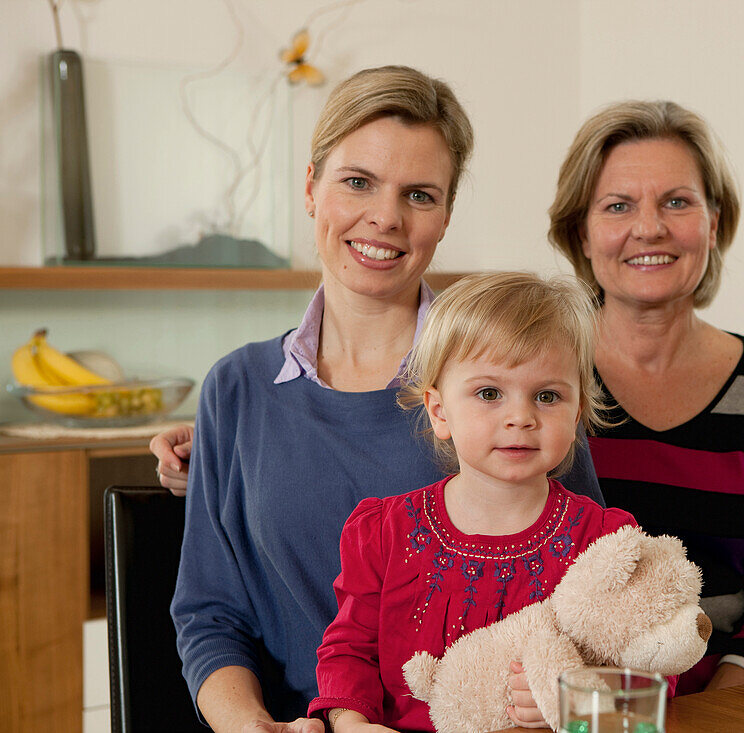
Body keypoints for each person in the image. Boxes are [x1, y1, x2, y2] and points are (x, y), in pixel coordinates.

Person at [163, 67, 604, 733]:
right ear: (311, 187)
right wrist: (249, 724)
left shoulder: (508, 375)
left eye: (419, 194)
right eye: (358, 181)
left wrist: (559, 699)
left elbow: (594, 601)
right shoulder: (236, 389)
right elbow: (210, 611)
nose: (386, 217)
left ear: (446, 215)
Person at [543, 100, 744, 694]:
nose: (651, 228)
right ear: (582, 234)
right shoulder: (535, 378)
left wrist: (723, 705)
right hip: (560, 702)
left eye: (677, 202)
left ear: (713, 224)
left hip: (728, 701)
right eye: (618, 206)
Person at [307, 271, 636, 732]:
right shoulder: (385, 531)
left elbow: (648, 673)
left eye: (547, 396)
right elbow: (350, 650)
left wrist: (580, 706)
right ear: (440, 411)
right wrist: (351, 723)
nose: (520, 417)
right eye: (489, 393)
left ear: (577, 412)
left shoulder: (605, 541)